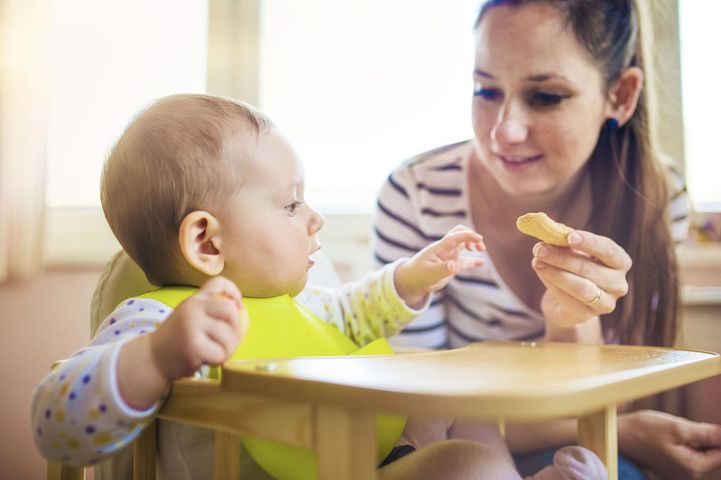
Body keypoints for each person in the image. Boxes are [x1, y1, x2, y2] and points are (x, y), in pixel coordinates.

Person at [31, 94, 607, 480]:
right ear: (207, 242)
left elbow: (357, 315)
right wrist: (155, 359)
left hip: (364, 457)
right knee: (463, 464)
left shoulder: (298, 306)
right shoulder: (155, 323)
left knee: (466, 412)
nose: (314, 218)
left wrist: (416, 274)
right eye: (289, 204)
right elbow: (56, 424)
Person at [372, 0, 721, 479]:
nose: (505, 131)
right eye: (485, 89)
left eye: (547, 97)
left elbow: (604, 387)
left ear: (620, 94)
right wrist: (625, 430)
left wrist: (576, 319)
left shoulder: (657, 201)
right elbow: (420, 412)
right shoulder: (415, 196)